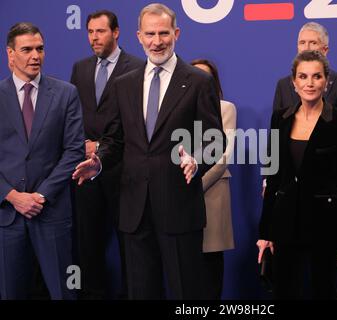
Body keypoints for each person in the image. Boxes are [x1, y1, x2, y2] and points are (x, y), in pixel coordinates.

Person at [72, 3, 224, 299]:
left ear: (176, 33)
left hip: (179, 208)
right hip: (134, 210)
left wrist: (197, 159)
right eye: (150, 34)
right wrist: (99, 162)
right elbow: (115, 140)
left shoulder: (197, 81)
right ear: (138, 36)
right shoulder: (124, 84)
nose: (157, 41)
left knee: (186, 295)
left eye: (164, 33)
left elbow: (214, 139)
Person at [257, 50, 337, 299]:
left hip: (326, 226)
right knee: (285, 291)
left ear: (326, 81)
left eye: (316, 76)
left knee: (323, 292)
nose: (309, 83)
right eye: (303, 76)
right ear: (294, 82)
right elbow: (273, 177)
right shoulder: (280, 118)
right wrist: (265, 233)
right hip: (285, 224)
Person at [0, 22, 85, 299]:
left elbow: (74, 151)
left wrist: (39, 196)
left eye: (40, 49)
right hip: (7, 217)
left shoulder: (66, 93)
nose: (35, 55)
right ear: (10, 54)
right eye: (27, 49)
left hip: (52, 214)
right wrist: (13, 196)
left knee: (65, 292)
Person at [70, 9, 144, 299]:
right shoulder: (80, 68)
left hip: (124, 173)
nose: (94, 38)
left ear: (116, 32)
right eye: (90, 32)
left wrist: (102, 148)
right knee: (88, 246)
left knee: (130, 246)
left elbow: (138, 122)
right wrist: (83, 145)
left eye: (100, 31)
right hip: (85, 171)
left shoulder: (137, 66)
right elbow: (72, 115)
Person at [190, 59, 236, 299]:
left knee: (209, 273)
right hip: (180, 201)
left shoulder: (225, 108)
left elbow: (222, 157)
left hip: (210, 195)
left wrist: (192, 187)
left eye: (205, 77)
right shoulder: (177, 107)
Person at [272, 22, 337, 113]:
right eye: (302, 43)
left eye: (313, 43)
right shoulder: (283, 85)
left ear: (325, 50)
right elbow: (276, 126)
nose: (306, 48)